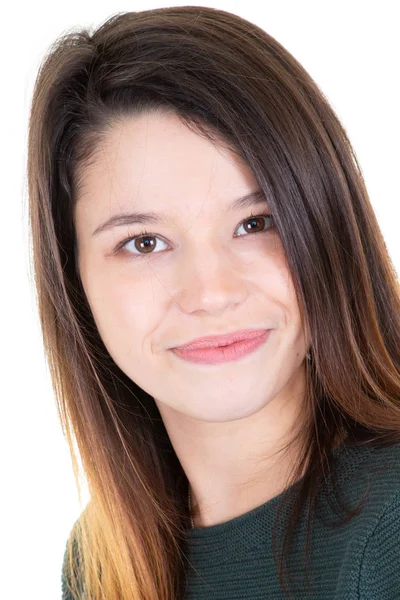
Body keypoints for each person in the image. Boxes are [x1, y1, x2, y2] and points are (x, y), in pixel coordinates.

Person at [26, 6, 400, 600]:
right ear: (76, 284)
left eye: (257, 223)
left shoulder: (390, 527)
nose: (211, 293)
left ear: (329, 230)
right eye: (143, 242)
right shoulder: (101, 564)